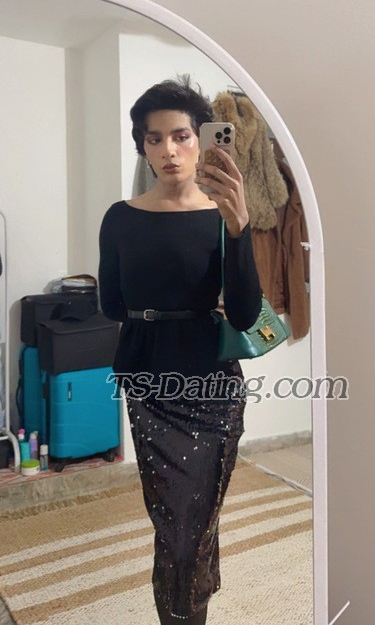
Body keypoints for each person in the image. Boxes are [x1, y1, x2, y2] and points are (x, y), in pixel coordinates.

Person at [98, 77, 262, 624]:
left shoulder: (224, 216)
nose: (168, 150)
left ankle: (188, 607)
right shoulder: (120, 217)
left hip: (213, 390)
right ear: (142, 146)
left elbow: (245, 315)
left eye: (181, 136)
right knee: (174, 523)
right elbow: (110, 304)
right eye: (154, 139)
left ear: (202, 140)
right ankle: (185, 611)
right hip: (150, 388)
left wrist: (239, 228)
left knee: (196, 522)